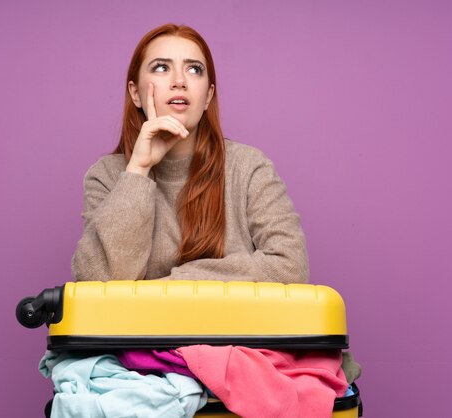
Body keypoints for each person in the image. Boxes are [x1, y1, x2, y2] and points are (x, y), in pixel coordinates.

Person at [71, 23, 309, 283]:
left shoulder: (249, 168)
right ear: (135, 93)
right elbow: (98, 283)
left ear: (208, 97)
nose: (179, 82)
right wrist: (138, 170)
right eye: (161, 67)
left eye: (194, 69)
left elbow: (290, 266)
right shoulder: (106, 176)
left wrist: (174, 284)